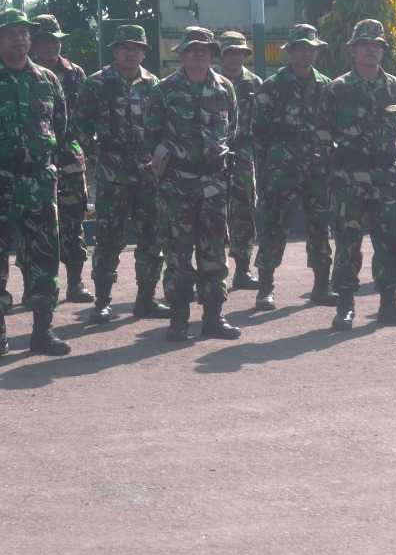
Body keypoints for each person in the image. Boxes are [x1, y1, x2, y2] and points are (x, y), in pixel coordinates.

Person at [0, 8, 71, 359]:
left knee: (45, 256)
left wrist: (38, 160)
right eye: (10, 33)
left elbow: (60, 128)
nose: (19, 38)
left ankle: (42, 331)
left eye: (24, 32)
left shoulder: (47, 81)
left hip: (38, 183)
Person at [143, 26, 241, 342]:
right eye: (192, 49)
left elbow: (232, 129)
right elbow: (150, 132)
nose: (199, 54)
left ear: (213, 54)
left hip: (214, 182)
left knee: (214, 253)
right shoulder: (164, 90)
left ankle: (213, 317)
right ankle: (179, 319)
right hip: (177, 185)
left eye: (205, 49)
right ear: (182, 54)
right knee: (178, 254)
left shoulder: (225, 88)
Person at [316, 19, 396, 331]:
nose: (371, 50)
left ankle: (389, 305)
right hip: (349, 178)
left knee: (389, 242)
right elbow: (322, 135)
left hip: (385, 177)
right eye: (365, 45)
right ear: (353, 50)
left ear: (383, 51)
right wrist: (342, 168)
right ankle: (345, 305)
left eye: (377, 45)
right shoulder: (337, 89)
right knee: (348, 243)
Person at [71, 24, 170, 324]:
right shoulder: (97, 83)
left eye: (136, 47)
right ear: (114, 51)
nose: (131, 52)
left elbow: (167, 124)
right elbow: (80, 123)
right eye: (124, 47)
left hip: (148, 174)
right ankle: (102, 302)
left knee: (151, 238)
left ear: (143, 51)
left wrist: (159, 155)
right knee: (109, 240)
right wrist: (97, 150)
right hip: (113, 174)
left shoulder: (156, 85)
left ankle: (146, 299)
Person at [250, 24, 336, 311]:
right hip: (282, 164)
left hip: (318, 164)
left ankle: (322, 287)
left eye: (311, 48)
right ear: (290, 50)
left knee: (320, 225)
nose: (306, 53)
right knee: (276, 224)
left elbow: (335, 126)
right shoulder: (272, 86)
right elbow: (258, 132)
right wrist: (272, 162)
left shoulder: (327, 85)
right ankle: (265, 289)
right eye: (301, 48)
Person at [30, 14, 95, 304]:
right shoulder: (24, 73)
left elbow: (85, 114)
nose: (50, 47)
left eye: (54, 41)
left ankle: (75, 282)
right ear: (33, 44)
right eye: (44, 41)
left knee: (73, 220)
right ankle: (35, 286)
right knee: (35, 224)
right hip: (35, 159)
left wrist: (82, 148)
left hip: (69, 157)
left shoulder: (76, 73)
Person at [216, 31, 262, 289]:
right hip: (213, 155)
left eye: (240, 53)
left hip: (243, 154)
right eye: (229, 52)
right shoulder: (211, 81)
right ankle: (213, 270)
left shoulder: (254, 83)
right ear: (221, 55)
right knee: (212, 213)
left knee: (243, 212)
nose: (235, 58)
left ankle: (242, 270)